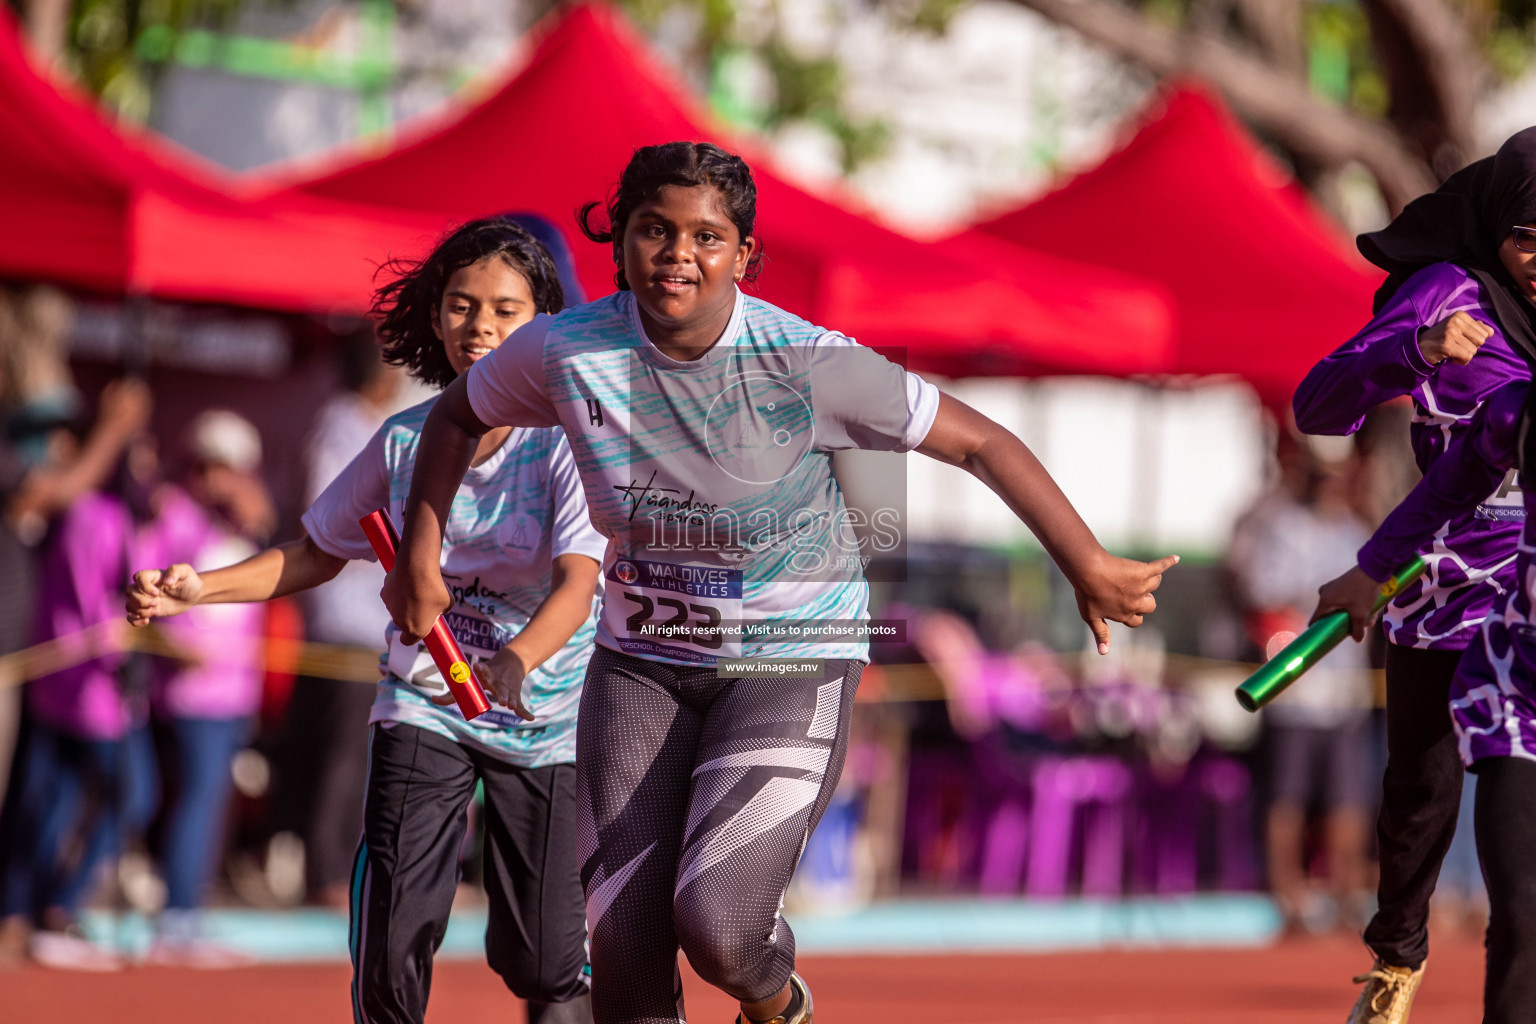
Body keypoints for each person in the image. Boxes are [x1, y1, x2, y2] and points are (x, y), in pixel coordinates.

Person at [380, 141, 1177, 1024]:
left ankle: (778, 1000)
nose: (678, 254)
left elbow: (981, 441)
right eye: (654, 230)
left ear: (744, 255)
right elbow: (457, 415)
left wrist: (1086, 562)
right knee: (625, 945)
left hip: (790, 658)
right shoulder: (568, 350)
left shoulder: (808, 363)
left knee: (718, 924)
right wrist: (421, 554)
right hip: (641, 662)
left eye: (706, 237)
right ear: (621, 243)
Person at [126, 218, 605, 1024]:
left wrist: (515, 663)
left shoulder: (567, 443)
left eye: (504, 309)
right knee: (391, 937)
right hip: (425, 701)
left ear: (544, 324)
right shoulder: (402, 442)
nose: (478, 326)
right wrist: (196, 589)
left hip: (543, 720)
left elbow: (576, 585)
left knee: (544, 960)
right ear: (434, 314)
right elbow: (315, 551)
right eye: (459, 304)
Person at [1293, 127, 1536, 1021]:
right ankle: (1396, 961)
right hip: (1447, 578)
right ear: (1496, 229)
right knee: (1420, 796)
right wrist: (1419, 352)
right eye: (1527, 237)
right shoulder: (1448, 292)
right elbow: (1316, 405)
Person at [269, 330, 400, 908]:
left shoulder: (379, 423)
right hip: (344, 619)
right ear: (377, 371)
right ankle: (326, 869)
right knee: (342, 752)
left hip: (377, 620)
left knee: (364, 753)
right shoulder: (339, 426)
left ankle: (346, 865)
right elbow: (328, 524)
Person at [1227, 434, 1374, 933]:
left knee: (1347, 797)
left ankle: (1346, 894)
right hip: (1292, 686)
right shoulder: (1278, 527)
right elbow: (1257, 589)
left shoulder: (1357, 531)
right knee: (1286, 794)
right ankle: (1287, 894)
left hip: (1344, 687)